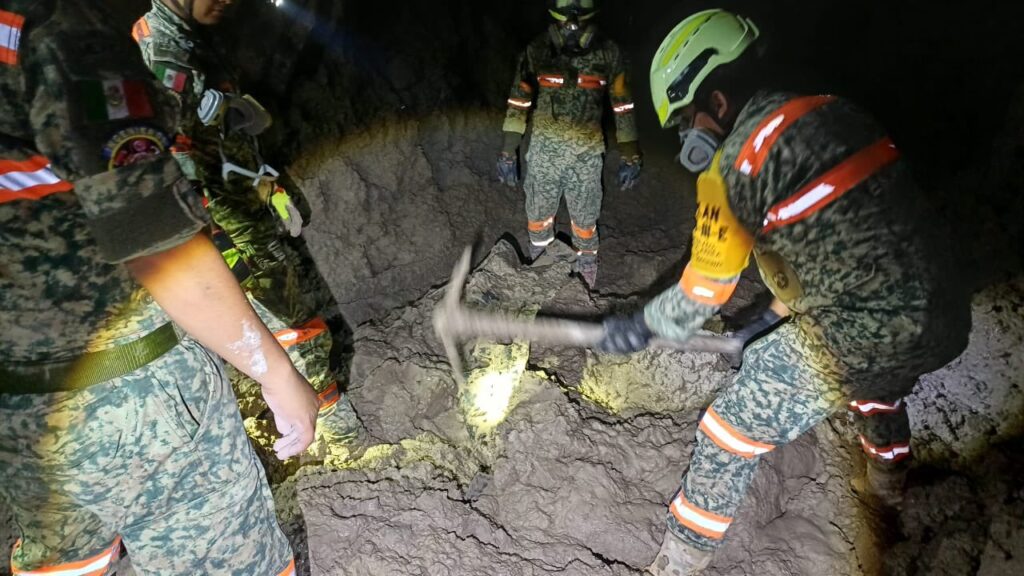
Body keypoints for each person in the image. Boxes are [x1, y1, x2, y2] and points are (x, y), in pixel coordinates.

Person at [597, 9, 971, 574]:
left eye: (684, 122)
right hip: (944, 314)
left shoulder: (732, 165)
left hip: (864, 329)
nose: (685, 138)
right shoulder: (836, 112)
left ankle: (677, 562)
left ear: (716, 103)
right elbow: (832, 246)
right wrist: (765, 319)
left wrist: (641, 324)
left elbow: (701, 295)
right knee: (877, 387)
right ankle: (890, 489)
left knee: (728, 430)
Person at [0, 0, 318, 573]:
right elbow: (158, 244)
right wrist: (275, 372)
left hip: (19, 412)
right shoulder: (68, 36)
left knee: (69, 562)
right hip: (132, 399)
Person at [133, 0, 362, 464]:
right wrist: (207, 235)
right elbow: (161, 158)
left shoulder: (190, 40)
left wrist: (266, 180)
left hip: (235, 204)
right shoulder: (159, 50)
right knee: (281, 319)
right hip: (211, 222)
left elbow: (219, 135)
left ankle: (317, 419)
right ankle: (328, 437)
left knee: (285, 305)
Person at [498, 0, 641, 288]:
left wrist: (631, 154)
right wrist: (508, 149)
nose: (572, 27)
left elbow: (622, 105)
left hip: (586, 157)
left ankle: (584, 281)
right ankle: (541, 273)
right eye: (565, 21)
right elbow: (519, 99)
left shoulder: (608, 53)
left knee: (586, 223)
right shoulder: (537, 49)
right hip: (543, 155)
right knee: (538, 220)